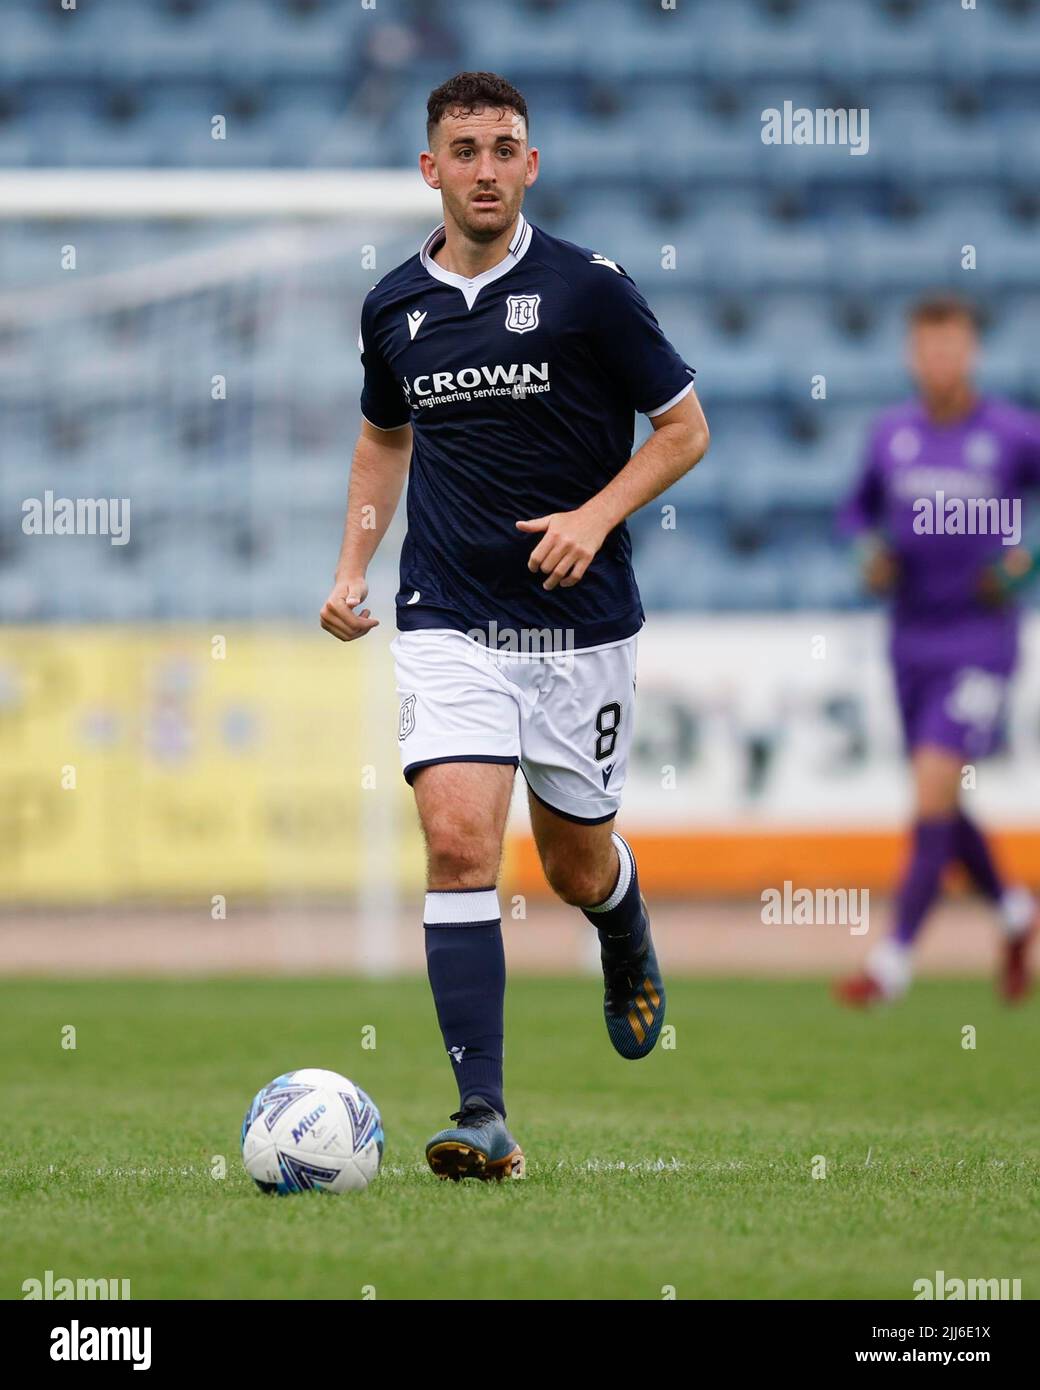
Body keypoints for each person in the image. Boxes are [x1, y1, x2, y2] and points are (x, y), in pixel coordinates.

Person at [320, 72, 709, 1177]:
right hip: (445, 610)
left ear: (530, 166)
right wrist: (353, 565)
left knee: (574, 866)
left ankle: (620, 919)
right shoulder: (392, 305)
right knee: (455, 846)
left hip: (578, 628)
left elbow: (683, 429)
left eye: (505, 148)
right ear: (429, 168)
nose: (485, 167)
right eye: (465, 148)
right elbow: (382, 439)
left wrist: (594, 515)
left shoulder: (592, 291)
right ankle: (480, 1112)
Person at [835, 294, 1039, 1007]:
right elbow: (854, 509)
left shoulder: (1012, 434)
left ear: (972, 353)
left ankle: (891, 964)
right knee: (940, 800)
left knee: (930, 785)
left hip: (982, 638)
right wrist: (868, 552)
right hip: (910, 635)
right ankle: (1016, 912)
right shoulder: (892, 435)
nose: (940, 361)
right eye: (928, 348)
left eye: (952, 347)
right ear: (912, 355)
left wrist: (1027, 556)